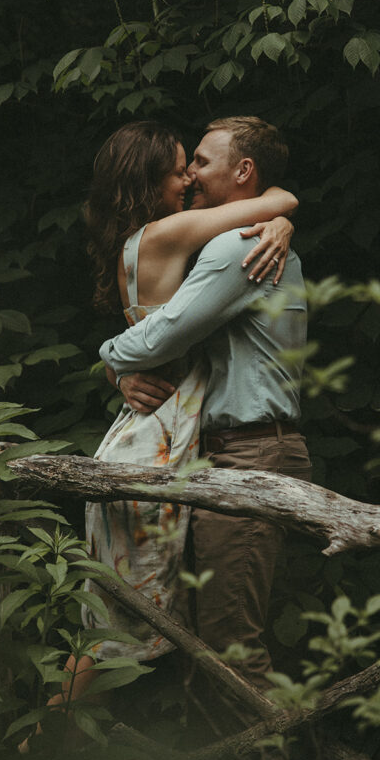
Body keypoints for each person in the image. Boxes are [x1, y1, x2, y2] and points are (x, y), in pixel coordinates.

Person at [54, 120, 297, 707]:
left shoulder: (143, 242)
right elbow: (282, 195)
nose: (189, 176)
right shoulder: (168, 234)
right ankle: (39, 743)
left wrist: (114, 370)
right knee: (122, 617)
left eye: (196, 163)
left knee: (120, 613)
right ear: (151, 180)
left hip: (154, 434)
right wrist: (282, 214)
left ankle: (49, 742)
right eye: (181, 166)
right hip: (159, 438)